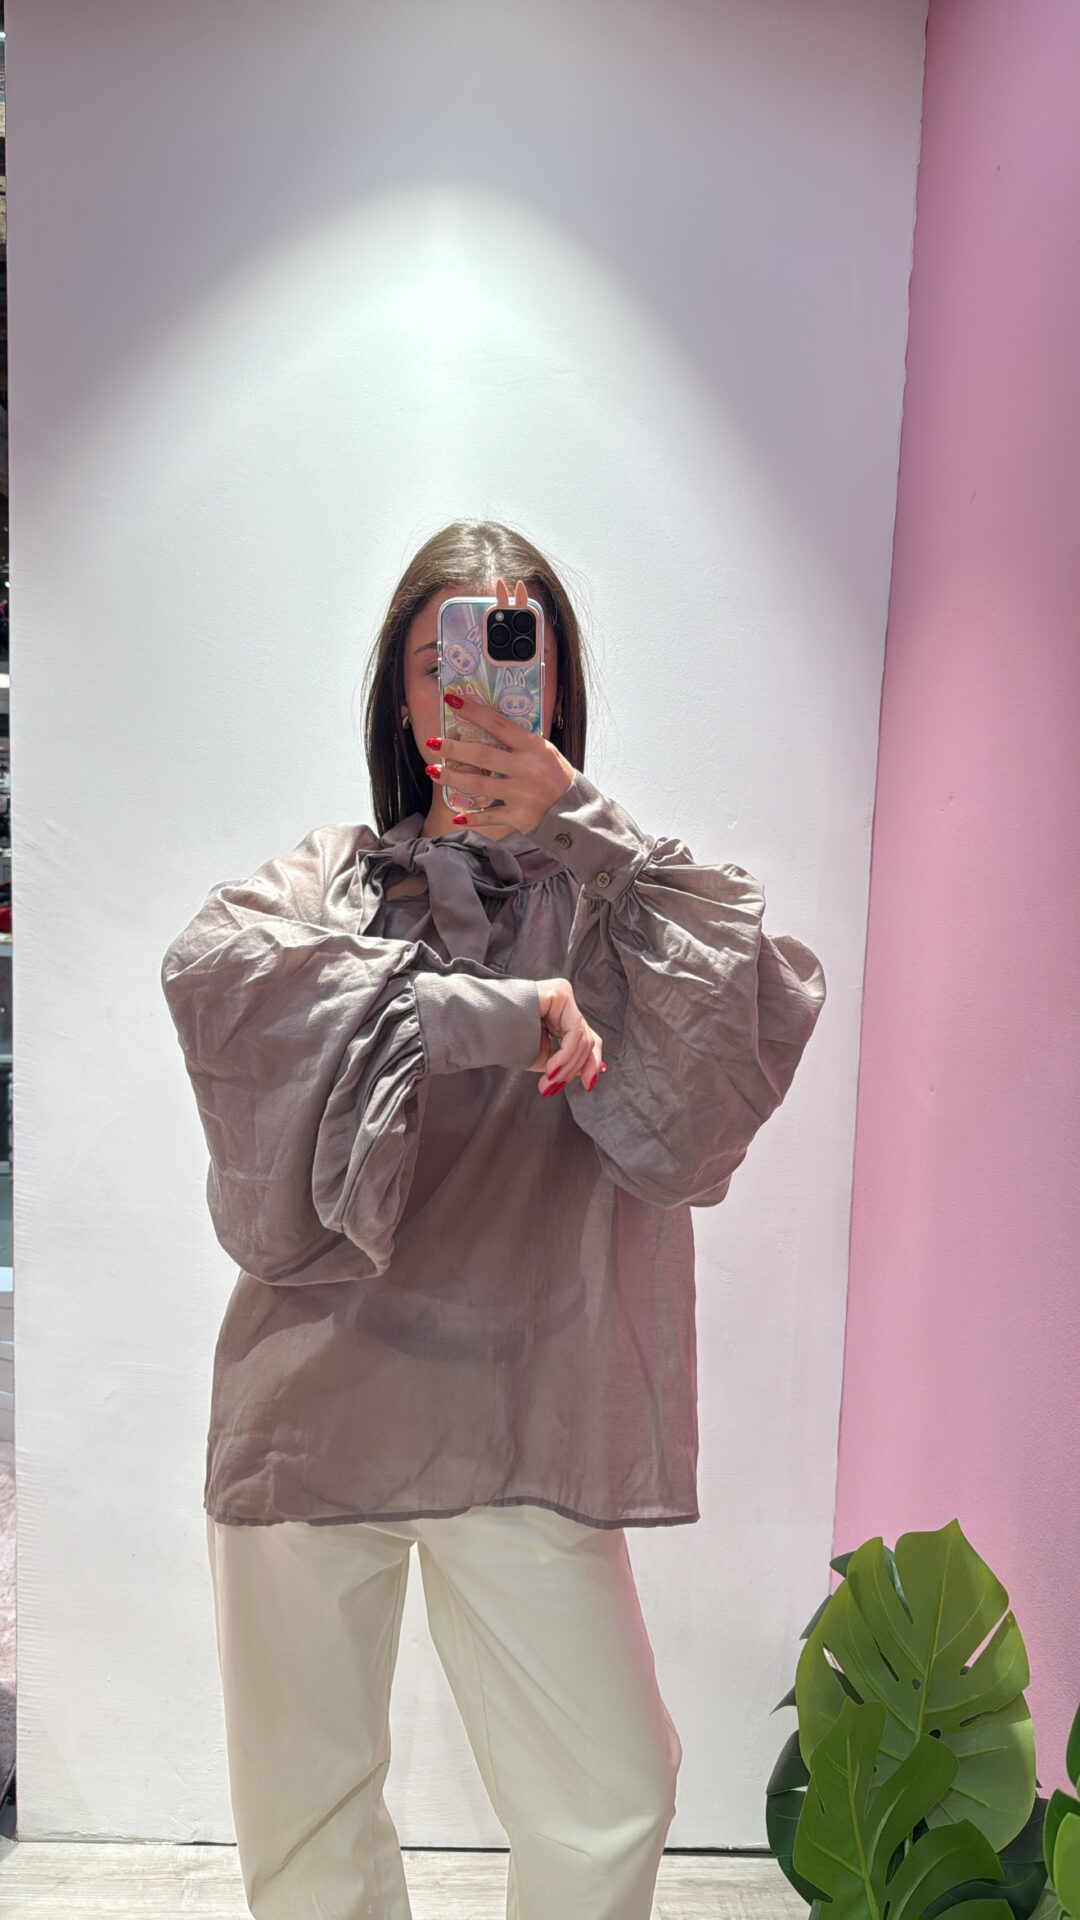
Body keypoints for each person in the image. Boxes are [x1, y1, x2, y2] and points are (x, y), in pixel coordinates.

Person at [161, 520, 826, 1920]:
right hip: (312, 1403)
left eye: (509, 654)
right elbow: (217, 979)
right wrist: (490, 1013)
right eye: (436, 660)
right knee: (307, 1826)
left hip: (530, 1407)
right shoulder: (335, 881)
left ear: (557, 683)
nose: (469, 690)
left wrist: (586, 826)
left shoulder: (629, 906)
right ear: (398, 696)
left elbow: (726, 1058)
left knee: (610, 1796)